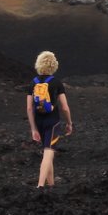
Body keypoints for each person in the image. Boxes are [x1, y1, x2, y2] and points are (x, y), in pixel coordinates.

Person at [27, 50, 73, 188]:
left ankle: (51, 185)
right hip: (52, 122)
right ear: (54, 65)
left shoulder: (33, 83)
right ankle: (40, 186)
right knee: (48, 153)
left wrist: (33, 128)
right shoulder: (56, 83)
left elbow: (29, 108)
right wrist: (69, 123)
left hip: (39, 121)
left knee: (48, 152)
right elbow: (65, 107)